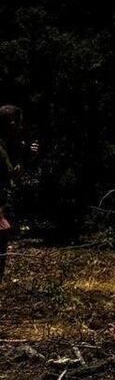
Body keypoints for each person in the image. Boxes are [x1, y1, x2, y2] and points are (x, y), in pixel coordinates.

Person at [0, 105, 38, 281]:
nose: (21, 127)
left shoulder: (8, 145)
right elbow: (10, 175)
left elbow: (15, 172)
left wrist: (27, 156)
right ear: (11, 123)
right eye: (18, 123)